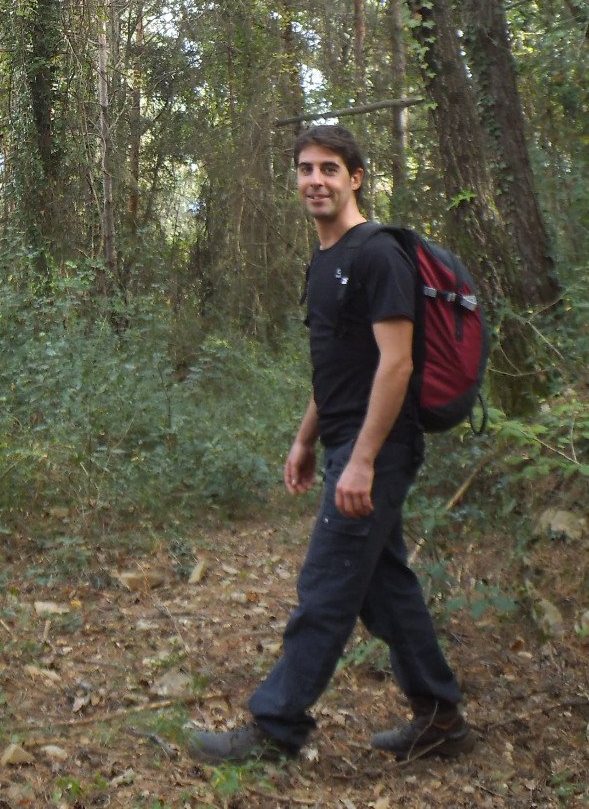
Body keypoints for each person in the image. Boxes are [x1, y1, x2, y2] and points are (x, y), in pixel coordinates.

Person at [186, 124, 473, 767]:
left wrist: (364, 459)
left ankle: (275, 727)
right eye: (306, 169)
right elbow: (340, 366)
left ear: (355, 178)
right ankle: (441, 718)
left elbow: (395, 365)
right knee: (382, 587)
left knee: (326, 585)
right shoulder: (325, 262)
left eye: (330, 169)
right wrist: (304, 438)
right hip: (347, 439)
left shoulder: (377, 255)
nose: (315, 180)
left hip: (380, 444)